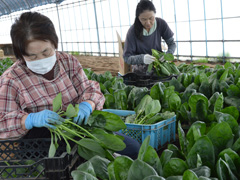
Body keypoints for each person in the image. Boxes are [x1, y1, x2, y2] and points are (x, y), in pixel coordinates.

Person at [0, 11, 139, 159]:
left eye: (46, 52)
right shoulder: (11, 79)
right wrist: (28, 120)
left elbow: (90, 90)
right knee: (79, 160)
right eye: (32, 56)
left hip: (78, 128)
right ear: (21, 55)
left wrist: (88, 104)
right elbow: (2, 122)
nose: (40, 59)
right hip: (41, 143)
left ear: (54, 43)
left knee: (132, 149)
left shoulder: (68, 62)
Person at [123, 0, 176, 75]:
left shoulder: (161, 24)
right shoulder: (132, 31)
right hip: (140, 71)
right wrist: (142, 58)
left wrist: (168, 54)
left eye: (151, 18)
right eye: (143, 19)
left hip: (159, 66)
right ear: (138, 18)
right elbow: (127, 58)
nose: (148, 23)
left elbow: (172, 44)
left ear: (155, 14)